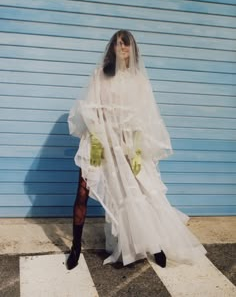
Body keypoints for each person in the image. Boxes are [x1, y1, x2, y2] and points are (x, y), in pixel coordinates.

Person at [66, 30, 207, 270]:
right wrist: (99, 145)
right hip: (99, 140)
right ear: (111, 48)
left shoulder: (139, 81)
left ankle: (156, 246)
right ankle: (75, 247)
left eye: (126, 44)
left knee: (141, 190)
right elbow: (90, 111)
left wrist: (138, 153)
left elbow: (143, 119)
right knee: (83, 190)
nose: (122, 47)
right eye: (118, 43)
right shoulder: (99, 75)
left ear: (132, 49)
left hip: (127, 144)